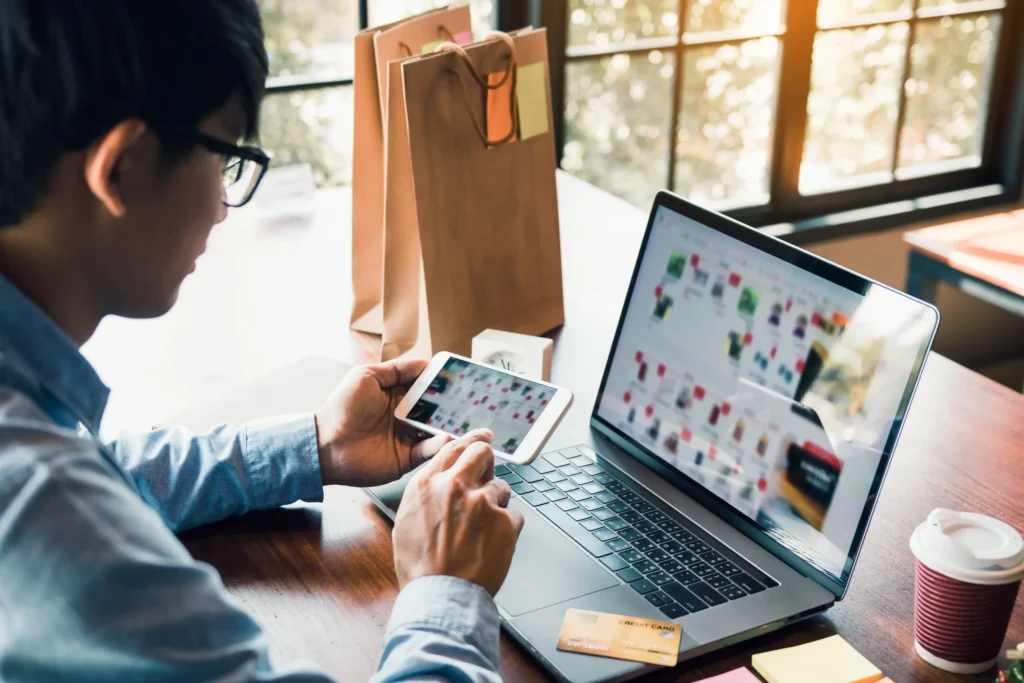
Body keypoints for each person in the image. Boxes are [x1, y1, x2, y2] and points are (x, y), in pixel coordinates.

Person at [0, 2, 523, 681]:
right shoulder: (45, 508)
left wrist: (315, 446)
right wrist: (447, 587)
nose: (223, 206)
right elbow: (67, 503)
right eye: (226, 159)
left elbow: (103, 475)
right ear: (122, 166)